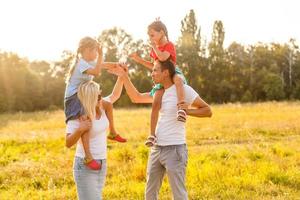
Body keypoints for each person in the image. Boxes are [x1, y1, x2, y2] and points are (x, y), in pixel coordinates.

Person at [112, 59, 212, 200]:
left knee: (179, 195)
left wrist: (187, 111)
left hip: (175, 150)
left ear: (165, 73)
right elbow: (136, 97)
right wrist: (124, 76)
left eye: (155, 70)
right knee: (150, 194)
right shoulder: (159, 92)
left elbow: (207, 111)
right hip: (157, 149)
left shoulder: (183, 90)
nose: (152, 74)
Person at [64, 36, 126, 170]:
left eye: (98, 52)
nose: (97, 55)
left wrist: (117, 66)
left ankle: (113, 132)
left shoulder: (88, 62)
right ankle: (88, 156)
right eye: (95, 51)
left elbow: (103, 65)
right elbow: (97, 71)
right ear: (86, 50)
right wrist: (102, 54)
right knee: (86, 120)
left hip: (83, 95)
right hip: (74, 98)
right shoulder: (81, 64)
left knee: (108, 104)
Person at [129, 19, 187, 147]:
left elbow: (163, 58)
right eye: (149, 36)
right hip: (162, 77)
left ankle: (181, 109)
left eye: (152, 35)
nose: (150, 38)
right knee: (156, 102)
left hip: (173, 72)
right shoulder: (153, 50)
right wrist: (138, 59)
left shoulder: (169, 45)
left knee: (178, 80)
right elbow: (154, 65)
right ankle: (152, 135)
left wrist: (155, 47)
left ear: (161, 33)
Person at [65, 79, 123, 200]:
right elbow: (68, 143)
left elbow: (115, 95)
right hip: (84, 165)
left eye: (100, 95)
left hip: (102, 161)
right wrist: (80, 129)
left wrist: (121, 76)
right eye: (97, 97)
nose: (100, 98)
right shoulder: (77, 116)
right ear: (89, 98)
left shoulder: (101, 106)